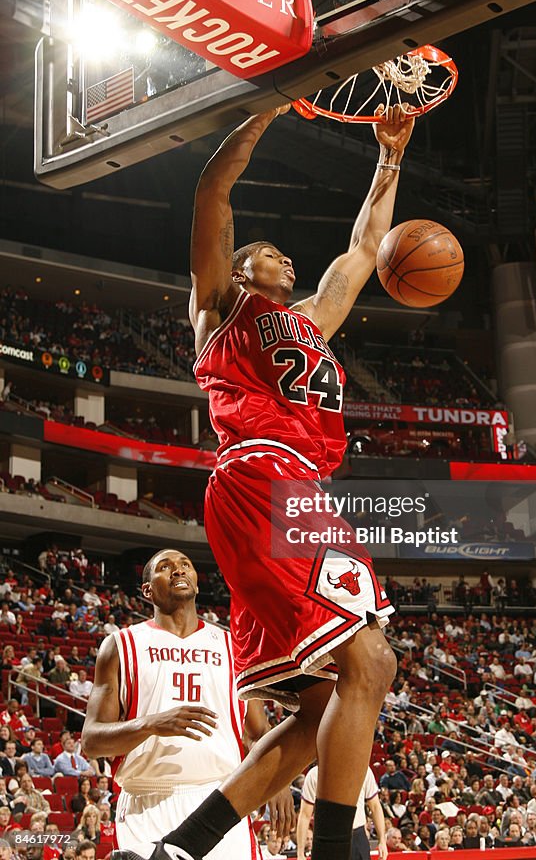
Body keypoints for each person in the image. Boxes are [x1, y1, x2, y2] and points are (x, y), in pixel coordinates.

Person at [113, 105, 413, 860]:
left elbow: (364, 246)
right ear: (241, 269)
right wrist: (262, 113)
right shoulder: (221, 308)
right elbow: (213, 194)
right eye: (269, 253)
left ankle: (181, 847)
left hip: (298, 487)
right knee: (371, 661)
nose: (283, 259)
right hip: (260, 476)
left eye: (283, 255)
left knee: (319, 712)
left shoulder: (311, 318)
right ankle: (336, 852)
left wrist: (390, 157)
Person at [83, 548, 292, 860]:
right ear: (147, 590)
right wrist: (151, 724)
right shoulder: (120, 646)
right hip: (147, 803)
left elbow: (257, 732)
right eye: (165, 567)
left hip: (223, 798)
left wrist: (278, 779)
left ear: (196, 579)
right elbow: (92, 741)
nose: (178, 570)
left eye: (185, 565)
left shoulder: (233, 647)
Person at [296, 764, 387, 860]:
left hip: (357, 837)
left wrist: (382, 840)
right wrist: (300, 853)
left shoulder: (363, 769)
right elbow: (305, 815)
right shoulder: (314, 774)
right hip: (326, 839)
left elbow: (375, 807)